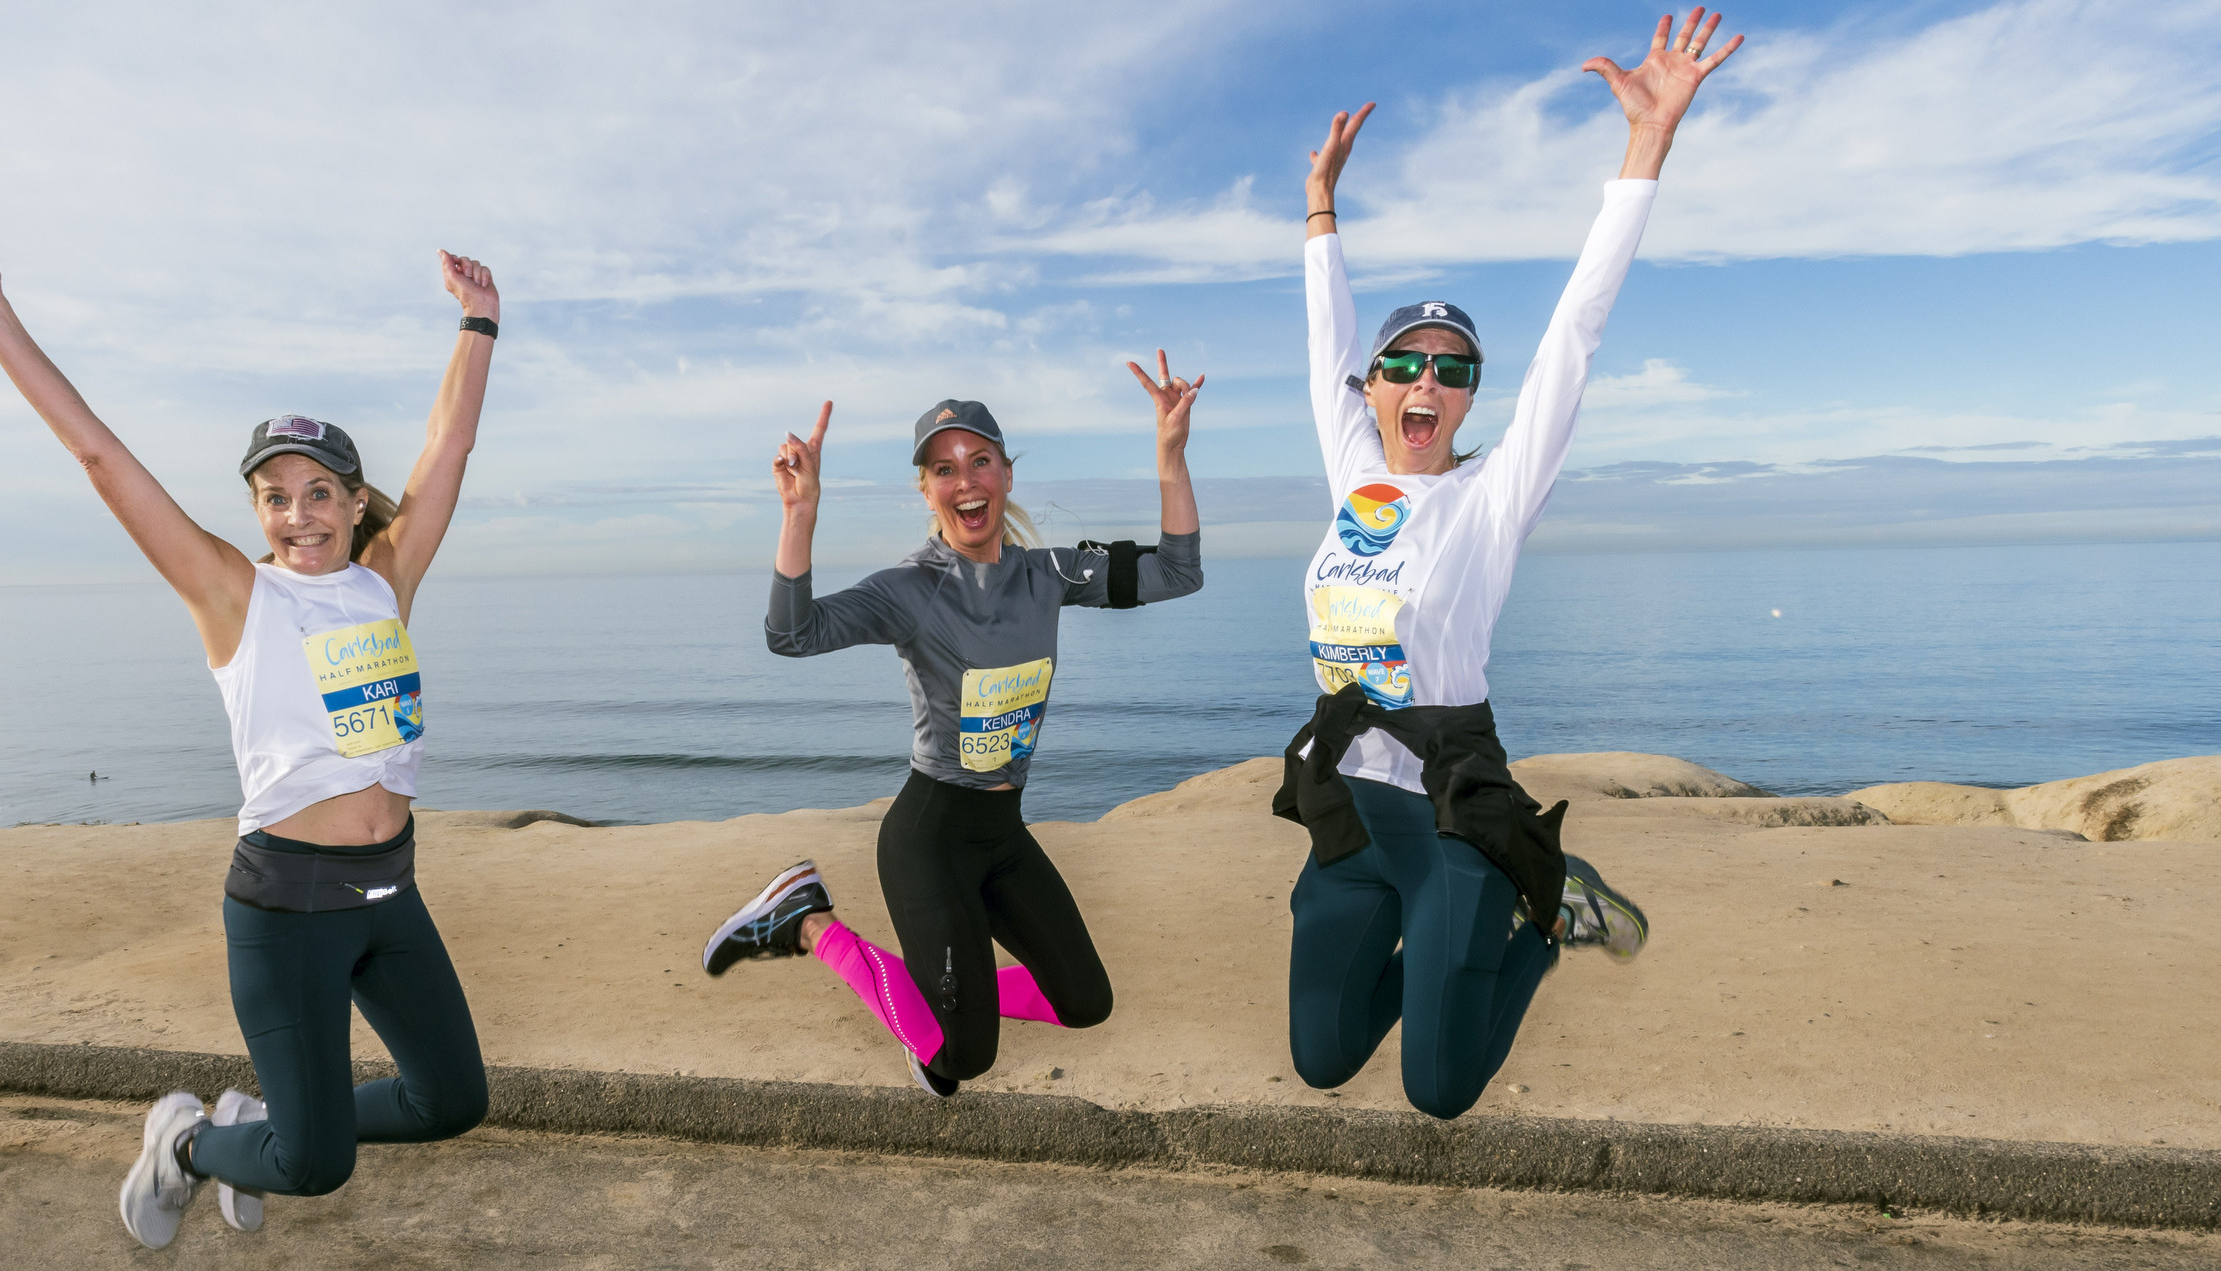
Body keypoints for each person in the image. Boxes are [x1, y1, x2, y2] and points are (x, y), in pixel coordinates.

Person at [0, 233, 503, 1248]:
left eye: (318, 491)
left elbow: (448, 447)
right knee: (313, 1164)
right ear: (256, 512)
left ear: (355, 500)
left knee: (451, 1098)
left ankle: (257, 1123)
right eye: (275, 497)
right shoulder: (234, 592)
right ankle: (189, 1144)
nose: (298, 514)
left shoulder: (386, 580)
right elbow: (100, 454)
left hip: (389, 893)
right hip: (285, 909)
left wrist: (478, 321)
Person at [1280, 9, 1740, 1112]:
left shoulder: (1491, 499)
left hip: (1449, 808)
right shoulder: (1356, 480)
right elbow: (1321, 341)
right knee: (1324, 1057)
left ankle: (1544, 915)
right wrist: (1319, 209)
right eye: (1403, 364)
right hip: (1346, 806)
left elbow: (1575, 334)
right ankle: (1458, 945)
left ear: (1470, 396)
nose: (1425, 383)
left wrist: (1646, 148)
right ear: (1374, 387)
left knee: (1440, 1089)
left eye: (1452, 369)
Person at [702, 364, 1206, 1094]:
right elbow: (792, 635)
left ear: (1005, 473)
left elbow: (1179, 572)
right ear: (926, 488)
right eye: (944, 469)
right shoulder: (911, 589)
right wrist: (800, 512)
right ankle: (805, 922)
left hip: (1002, 834)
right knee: (962, 1057)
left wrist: (1170, 454)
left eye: (979, 462)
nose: (965, 481)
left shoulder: (1051, 574)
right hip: (930, 837)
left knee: (1086, 1002)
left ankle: (942, 1000)